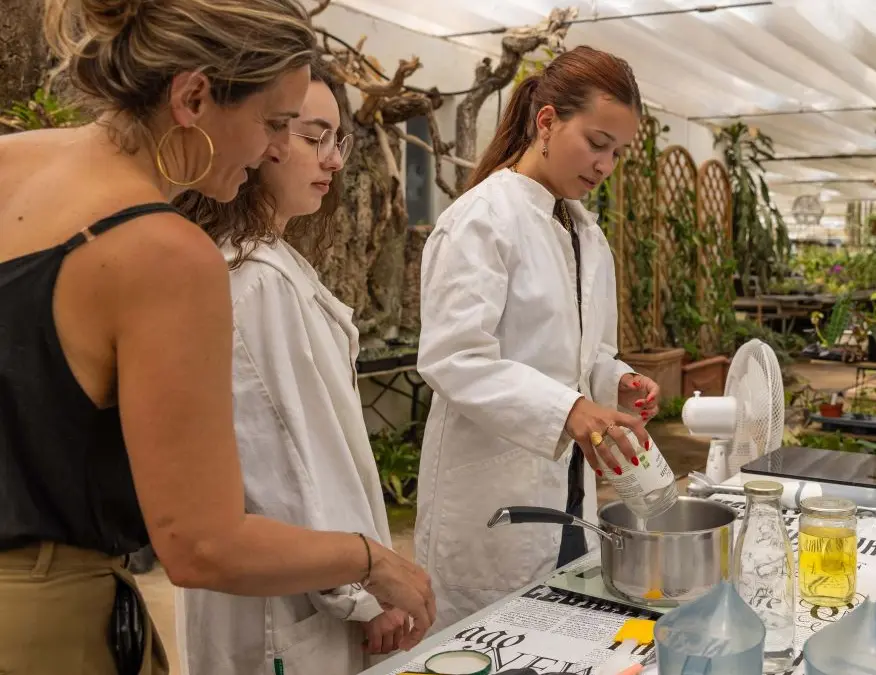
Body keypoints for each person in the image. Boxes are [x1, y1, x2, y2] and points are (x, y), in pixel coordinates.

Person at [0, 2, 434, 673]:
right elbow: (201, 545)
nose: (274, 150)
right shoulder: (167, 252)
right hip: (43, 625)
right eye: (275, 123)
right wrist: (371, 560)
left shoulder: (12, 162)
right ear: (193, 97)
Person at [172, 60, 414, 674]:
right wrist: (360, 592)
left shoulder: (269, 265)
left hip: (310, 586)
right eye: (311, 136)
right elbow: (283, 468)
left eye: (338, 140)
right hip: (286, 603)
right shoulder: (254, 284)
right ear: (260, 136)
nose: (332, 160)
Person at [416, 45, 663, 629]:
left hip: (568, 491)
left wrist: (617, 379)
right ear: (547, 121)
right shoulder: (482, 219)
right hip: (493, 495)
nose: (605, 165)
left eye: (618, 153)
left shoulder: (584, 232)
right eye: (597, 143)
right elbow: (454, 357)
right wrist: (569, 409)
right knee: (494, 642)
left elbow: (586, 353)